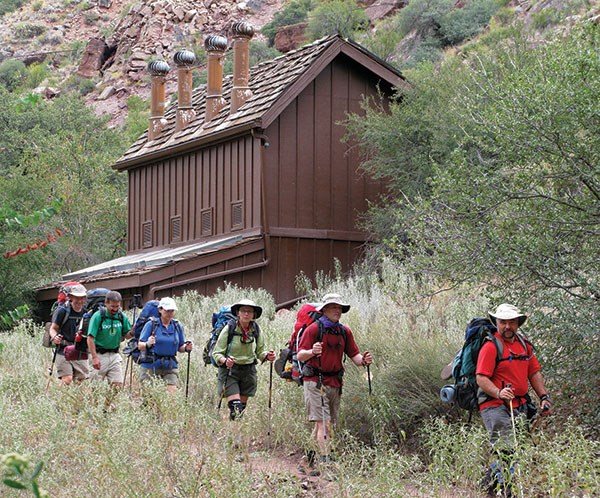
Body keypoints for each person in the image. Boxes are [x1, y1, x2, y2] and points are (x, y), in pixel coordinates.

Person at [476, 303, 553, 496]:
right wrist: (498, 392)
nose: (507, 326)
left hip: (519, 404)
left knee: (516, 448)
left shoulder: (524, 344)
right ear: (497, 323)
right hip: (493, 404)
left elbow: (534, 372)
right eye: (503, 322)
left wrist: (544, 397)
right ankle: (507, 491)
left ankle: (487, 483)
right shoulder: (490, 346)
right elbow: (481, 378)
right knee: (507, 449)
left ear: (518, 323)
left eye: (511, 322)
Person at [297, 293, 373, 467]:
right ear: (324, 310)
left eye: (339, 307)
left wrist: (364, 361)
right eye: (333, 307)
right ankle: (326, 462)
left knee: (322, 424)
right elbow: (301, 355)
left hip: (335, 383)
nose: (337, 310)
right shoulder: (314, 330)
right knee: (324, 423)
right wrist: (312, 352)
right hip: (315, 381)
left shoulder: (344, 331)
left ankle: (307, 459)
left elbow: (355, 356)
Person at [211, 298, 275, 422]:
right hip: (230, 371)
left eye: (249, 311)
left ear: (253, 314)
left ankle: (234, 432)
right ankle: (234, 436)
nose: (246, 314)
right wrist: (225, 360)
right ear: (238, 313)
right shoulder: (229, 328)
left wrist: (267, 356)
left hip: (248, 371)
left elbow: (260, 351)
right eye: (243, 311)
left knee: (241, 409)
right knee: (236, 408)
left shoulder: (255, 329)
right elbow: (216, 353)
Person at [137, 297, 192, 393]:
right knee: (149, 400)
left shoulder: (176, 325)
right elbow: (140, 345)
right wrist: (147, 343)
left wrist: (186, 348)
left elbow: (180, 347)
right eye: (167, 310)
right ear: (160, 310)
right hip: (150, 365)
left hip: (170, 366)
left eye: (172, 311)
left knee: (171, 397)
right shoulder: (151, 324)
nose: (170, 313)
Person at [87, 290, 132, 388]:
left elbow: (127, 335)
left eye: (117, 306)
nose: (115, 309)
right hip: (99, 355)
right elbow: (90, 338)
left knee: (117, 386)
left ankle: (109, 404)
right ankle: (96, 404)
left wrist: (133, 332)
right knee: (96, 389)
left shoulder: (121, 316)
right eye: (112, 306)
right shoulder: (98, 316)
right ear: (106, 303)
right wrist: (94, 358)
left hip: (115, 355)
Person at [49, 283, 89, 385]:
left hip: (79, 349)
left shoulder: (86, 312)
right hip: (62, 349)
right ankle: (61, 400)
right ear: (71, 297)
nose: (79, 301)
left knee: (81, 381)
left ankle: (77, 401)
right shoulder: (62, 311)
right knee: (67, 380)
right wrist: (54, 337)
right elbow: (53, 328)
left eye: (82, 298)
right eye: (77, 297)